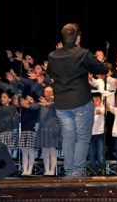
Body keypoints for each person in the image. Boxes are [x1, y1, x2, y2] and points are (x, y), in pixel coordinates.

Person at [46, 23, 107, 177]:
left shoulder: (53, 55)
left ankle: (68, 171)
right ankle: (78, 171)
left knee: (68, 137)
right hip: (81, 102)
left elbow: (50, 74)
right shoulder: (83, 53)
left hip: (61, 104)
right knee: (82, 137)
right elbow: (102, 69)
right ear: (77, 37)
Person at [88, 92, 106, 176]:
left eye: (97, 100)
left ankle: (101, 169)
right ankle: (92, 170)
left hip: (99, 134)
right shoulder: (89, 109)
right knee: (91, 153)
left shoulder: (102, 108)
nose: (95, 102)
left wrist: (94, 111)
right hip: (90, 134)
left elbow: (100, 111)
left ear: (101, 100)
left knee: (100, 153)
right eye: (93, 100)